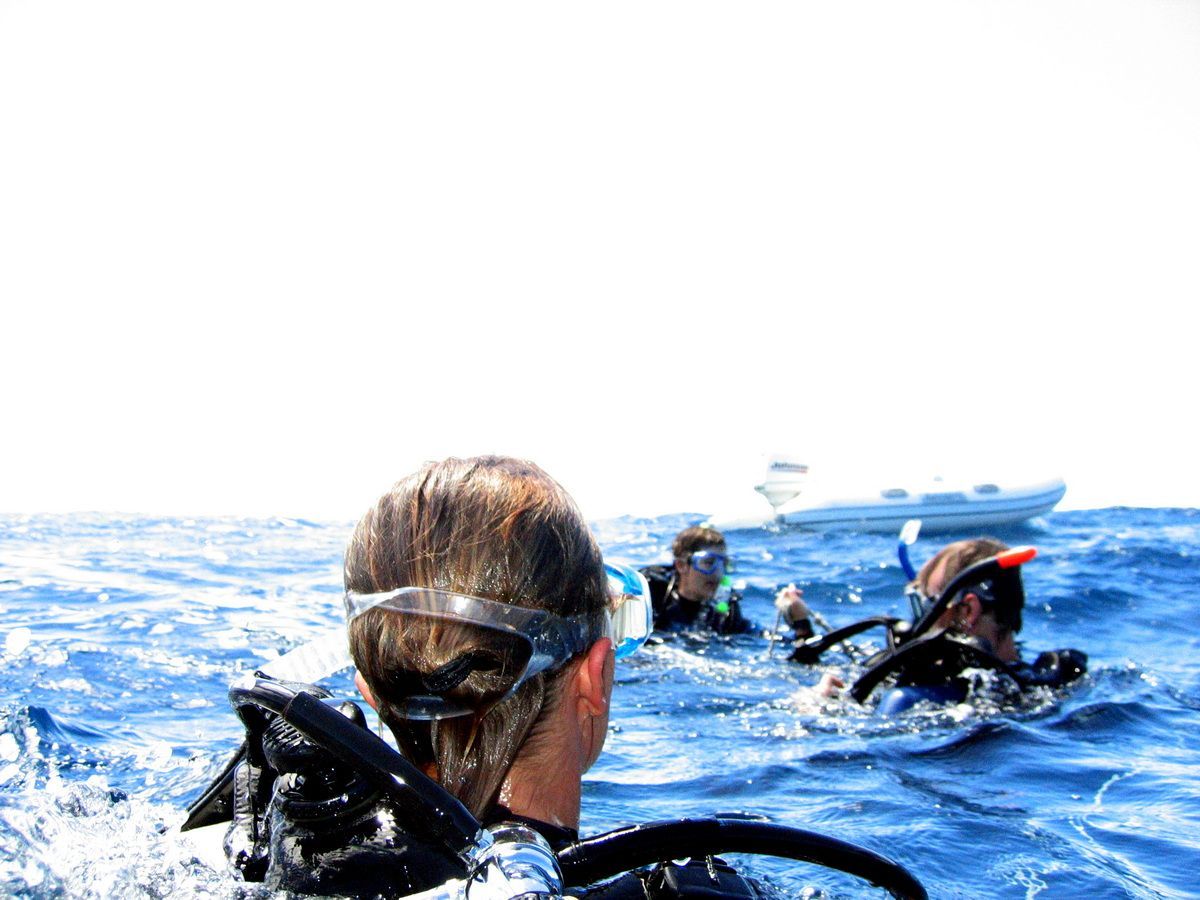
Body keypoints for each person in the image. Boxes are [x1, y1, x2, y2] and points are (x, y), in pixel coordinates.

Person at [788, 537, 1087, 714]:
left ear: (968, 610)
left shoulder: (907, 701)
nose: (919, 621)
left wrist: (818, 709)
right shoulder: (1049, 683)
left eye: (925, 605)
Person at [641, 526, 813, 637]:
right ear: (681, 565)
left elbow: (774, 646)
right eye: (709, 563)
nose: (718, 573)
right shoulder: (653, 597)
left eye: (724, 564)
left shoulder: (726, 611)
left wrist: (800, 621)